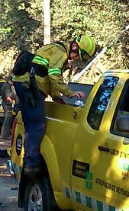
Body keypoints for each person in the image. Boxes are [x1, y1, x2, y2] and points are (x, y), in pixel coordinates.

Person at [11, 35, 98, 174]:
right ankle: (31, 165)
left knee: (30, 123)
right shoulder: (61, 53)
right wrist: (70, 93)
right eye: (79, 56)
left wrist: (57, 98)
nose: (76, 59)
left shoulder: (56, 49)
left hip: (25, 84)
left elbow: (46, 76)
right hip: (31, 87)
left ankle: (30, 159)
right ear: (75, 47)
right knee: (37, 124)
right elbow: (53, 76)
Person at [0, 69, 18, 139]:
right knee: (8, 119)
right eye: (13, 81)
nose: (13, 83)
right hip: (7, 105)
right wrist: (13, 104)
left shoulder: (7, 85)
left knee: (8, 119)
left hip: (7, 104)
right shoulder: (7, 86)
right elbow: (8, 97)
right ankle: (5, 135)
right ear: (10, 81)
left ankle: (5, 134)